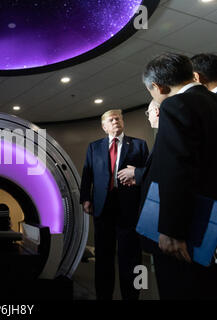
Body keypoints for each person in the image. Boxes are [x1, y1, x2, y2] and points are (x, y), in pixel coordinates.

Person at [141, 52, 217, 299]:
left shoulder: (176, 105)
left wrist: (171, 231)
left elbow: (176, 169)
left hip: (186, 231)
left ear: (158, 86)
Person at [80, 109, 149, 300]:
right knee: (103, 257)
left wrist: (138, 175)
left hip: (129, 208)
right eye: (111, 119)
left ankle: (133, 295)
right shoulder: (94, 147)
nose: (116, 121)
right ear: (104, 126)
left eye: (118, 118)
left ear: (123, 122)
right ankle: (103, 296)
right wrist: (86, 198)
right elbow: (87, 175)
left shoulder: (139, 145)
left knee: (132, 257)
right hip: (103, 208)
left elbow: (147, 174)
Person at [117, 100, 160, 187]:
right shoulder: (162, 134)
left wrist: (135, 172)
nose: (148, 117)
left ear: (156, 111)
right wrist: (139, 178)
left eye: (148, 112)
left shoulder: (167, 134)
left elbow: (165, 169)